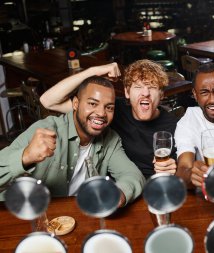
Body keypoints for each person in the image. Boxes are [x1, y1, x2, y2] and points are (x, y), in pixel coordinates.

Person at [0, 76, 145, 206]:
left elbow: (132, 175)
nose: (101, 113)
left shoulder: (110, 139)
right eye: (92, 104)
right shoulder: (47, 129)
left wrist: (119, 194)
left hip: (75, 216)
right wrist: (25, 156)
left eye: (109, 107)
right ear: (76, 103)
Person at [40, 60, 177, 178]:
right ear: (127, 92)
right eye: (138, 87)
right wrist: (94, 71)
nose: (145, 93)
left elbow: (185, 169)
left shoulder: (174, 126)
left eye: (152, 88)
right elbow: (48, 101)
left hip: (153, 190)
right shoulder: (110, 109)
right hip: (116, 188)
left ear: (162, 94)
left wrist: (175, 170)